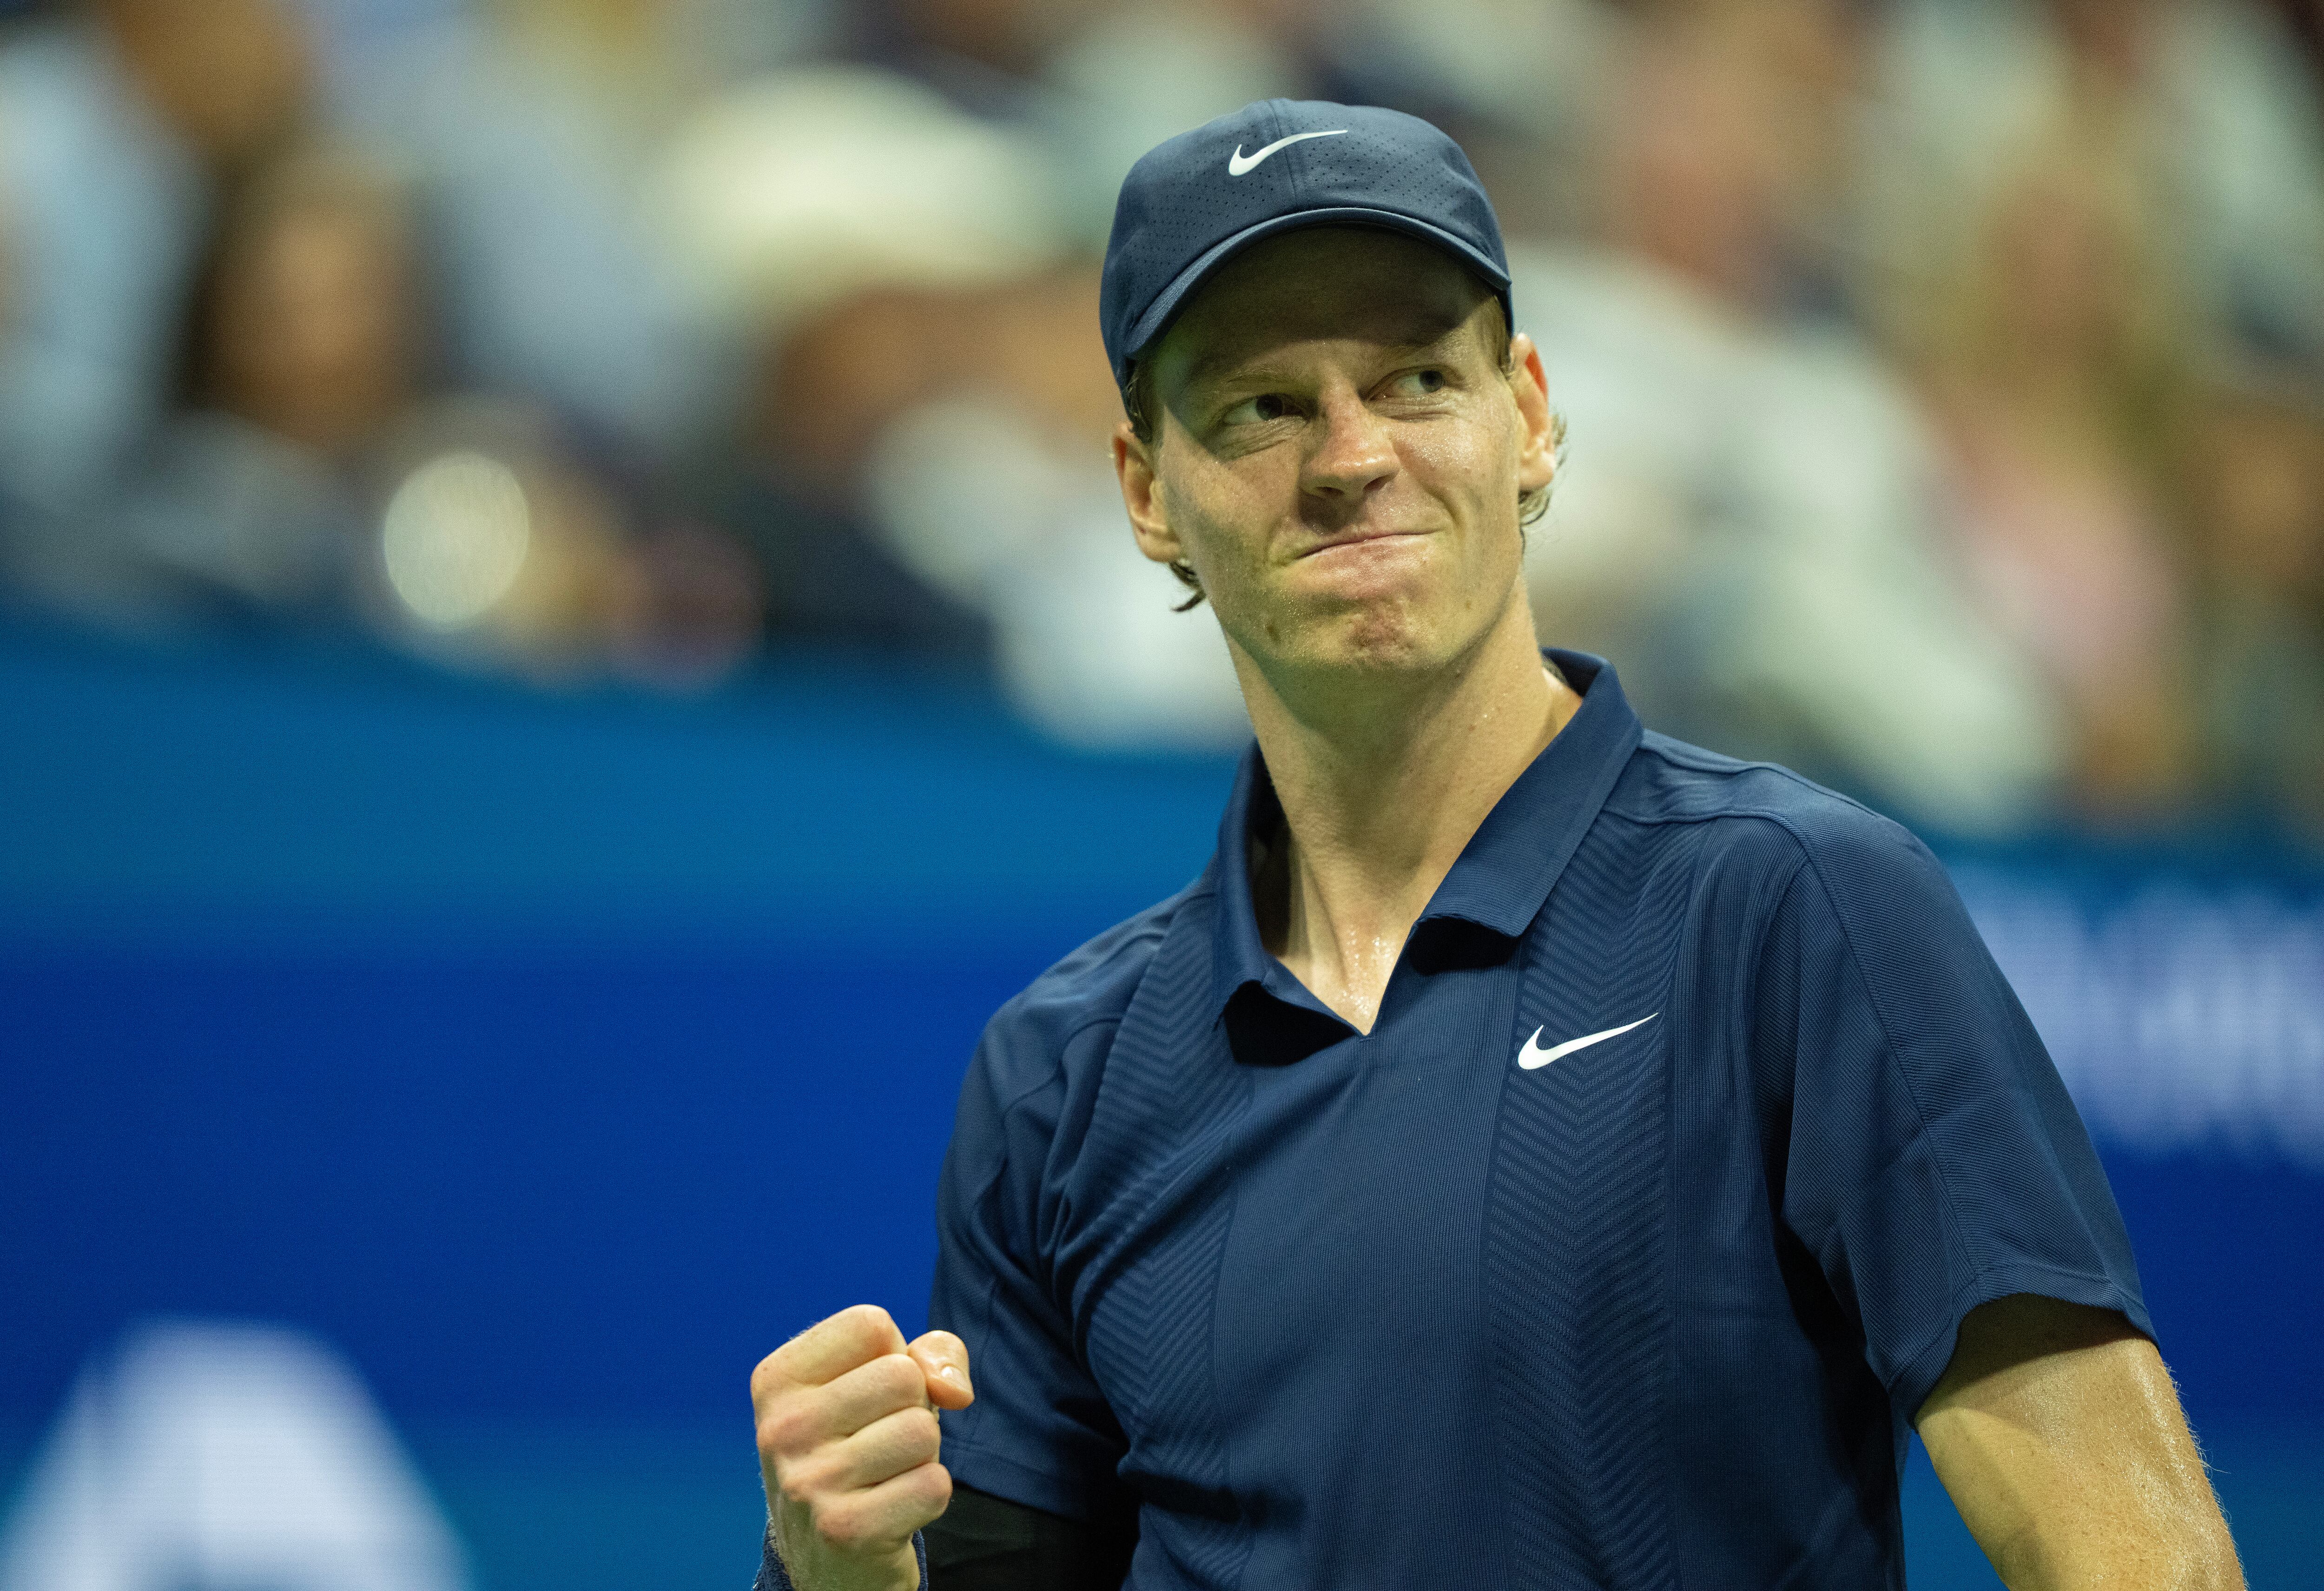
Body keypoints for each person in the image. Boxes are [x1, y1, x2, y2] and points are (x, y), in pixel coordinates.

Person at [747, 100, 2245, 1589]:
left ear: (1526, 416)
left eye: (1414, 378)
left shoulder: (1796, 907)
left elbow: (2126, 1555)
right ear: (1148, 492)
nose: (1349, 457)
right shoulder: (1059, 1075)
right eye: (1260, 407)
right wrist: (838, 1583)